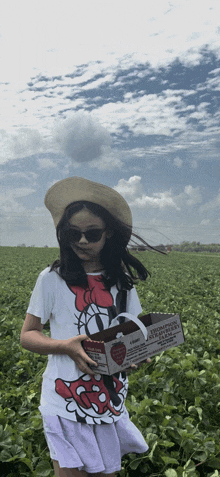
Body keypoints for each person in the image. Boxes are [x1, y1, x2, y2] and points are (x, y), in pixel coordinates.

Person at [20, 177, 150, 477]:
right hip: (63, 402)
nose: (81, 241)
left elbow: (137, 333)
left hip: (109, 403)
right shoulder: (51, 279)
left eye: (92, 234)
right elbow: (28, 335)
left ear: (108, 235)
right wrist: (64, 346)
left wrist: (138, 353)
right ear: (63, 234)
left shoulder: (121, 283)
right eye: (73, 233)